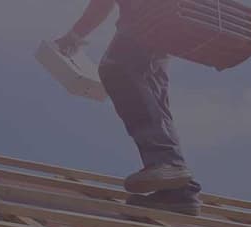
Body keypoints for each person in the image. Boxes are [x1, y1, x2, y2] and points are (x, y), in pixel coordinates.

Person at [54, 0, 201, 215]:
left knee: (118, 70)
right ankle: (178, 191)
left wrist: (75, 35)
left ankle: (167, 163)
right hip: (162, 28)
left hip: (147, 22)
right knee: (150, 93)